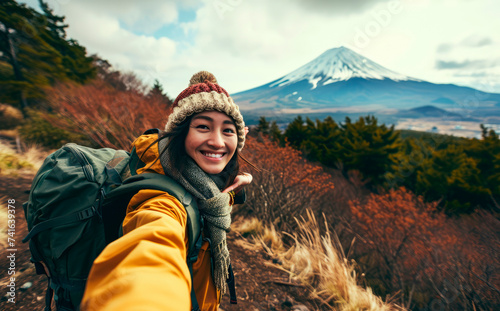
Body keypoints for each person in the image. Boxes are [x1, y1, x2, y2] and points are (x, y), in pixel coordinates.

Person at [81, 71, 253, 311]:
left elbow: (208, 196)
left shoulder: (206, 186)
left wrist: (230, 192)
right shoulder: (163, 201)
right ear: (180, 134)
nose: (217, 142)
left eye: (228, 130)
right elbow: (151, 248)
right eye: (203, 127)